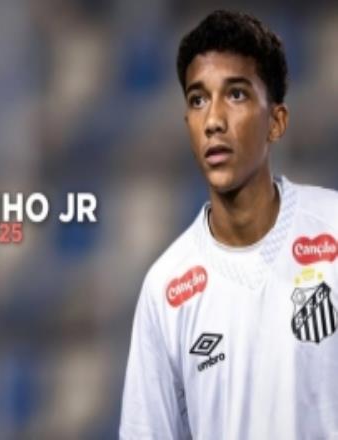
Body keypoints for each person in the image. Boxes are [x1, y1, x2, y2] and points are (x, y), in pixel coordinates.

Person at [120, 9, 338, 439]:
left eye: (236, 94)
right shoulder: (166, 288)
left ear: (276, 121)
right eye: (198, 100)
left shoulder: (333, 228)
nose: (214, 120)